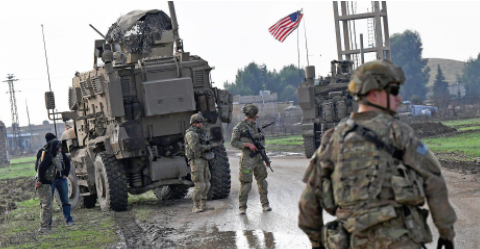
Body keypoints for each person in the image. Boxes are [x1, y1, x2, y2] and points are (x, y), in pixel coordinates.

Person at [298, 60, 456, 249]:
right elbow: (434, 182)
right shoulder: (400, 134)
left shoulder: (333, 140)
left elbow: (308, 203)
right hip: (399, 242)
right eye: (394, 92)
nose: (398, 99)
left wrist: (318, 243)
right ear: (374, 94)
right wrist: (446, 232)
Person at [231, 103, 272, 215]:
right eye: (256, 113)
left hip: (259, 159)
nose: (257, 115)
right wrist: (247, 145)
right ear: (253, 114)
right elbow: (233, 142)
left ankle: (265, 205)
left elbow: (261, 145)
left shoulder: (256, 127)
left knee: (262, 182)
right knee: (246, 184)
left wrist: (266, 159)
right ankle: (242, 207)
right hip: (247, 160)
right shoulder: (239, 128)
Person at [35, 132, 74, 226]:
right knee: (48, 204)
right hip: (49, 182)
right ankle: (47, 224)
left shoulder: (59, 151)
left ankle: (69, 221)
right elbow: (39, 167)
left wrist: (65, 174)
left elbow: (67, 161)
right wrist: (41, 179)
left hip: (61, 179)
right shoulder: (43, 152)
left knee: (65, 201)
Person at [185, 113, 215, 213]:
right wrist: (207, 147)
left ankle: (203, 205)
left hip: (204, 159)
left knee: (207, 184)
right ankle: (195, 206)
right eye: (198, 122)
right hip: (196, 160)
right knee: (200, 184)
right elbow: (195, 148)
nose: (200, 124)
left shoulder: (201, 133)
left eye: (201, 122)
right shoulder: (191, 134)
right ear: (193, 123)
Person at [36, 140, 62, 233]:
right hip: (44, 184)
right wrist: (41, 181)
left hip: (45, 183)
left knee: (46, 205)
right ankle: (44, 228)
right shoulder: (48, 156)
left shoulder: (48, 155)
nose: (59, 150)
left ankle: (45, 227)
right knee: (46, 205)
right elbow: (40, 168)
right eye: (58, 148)